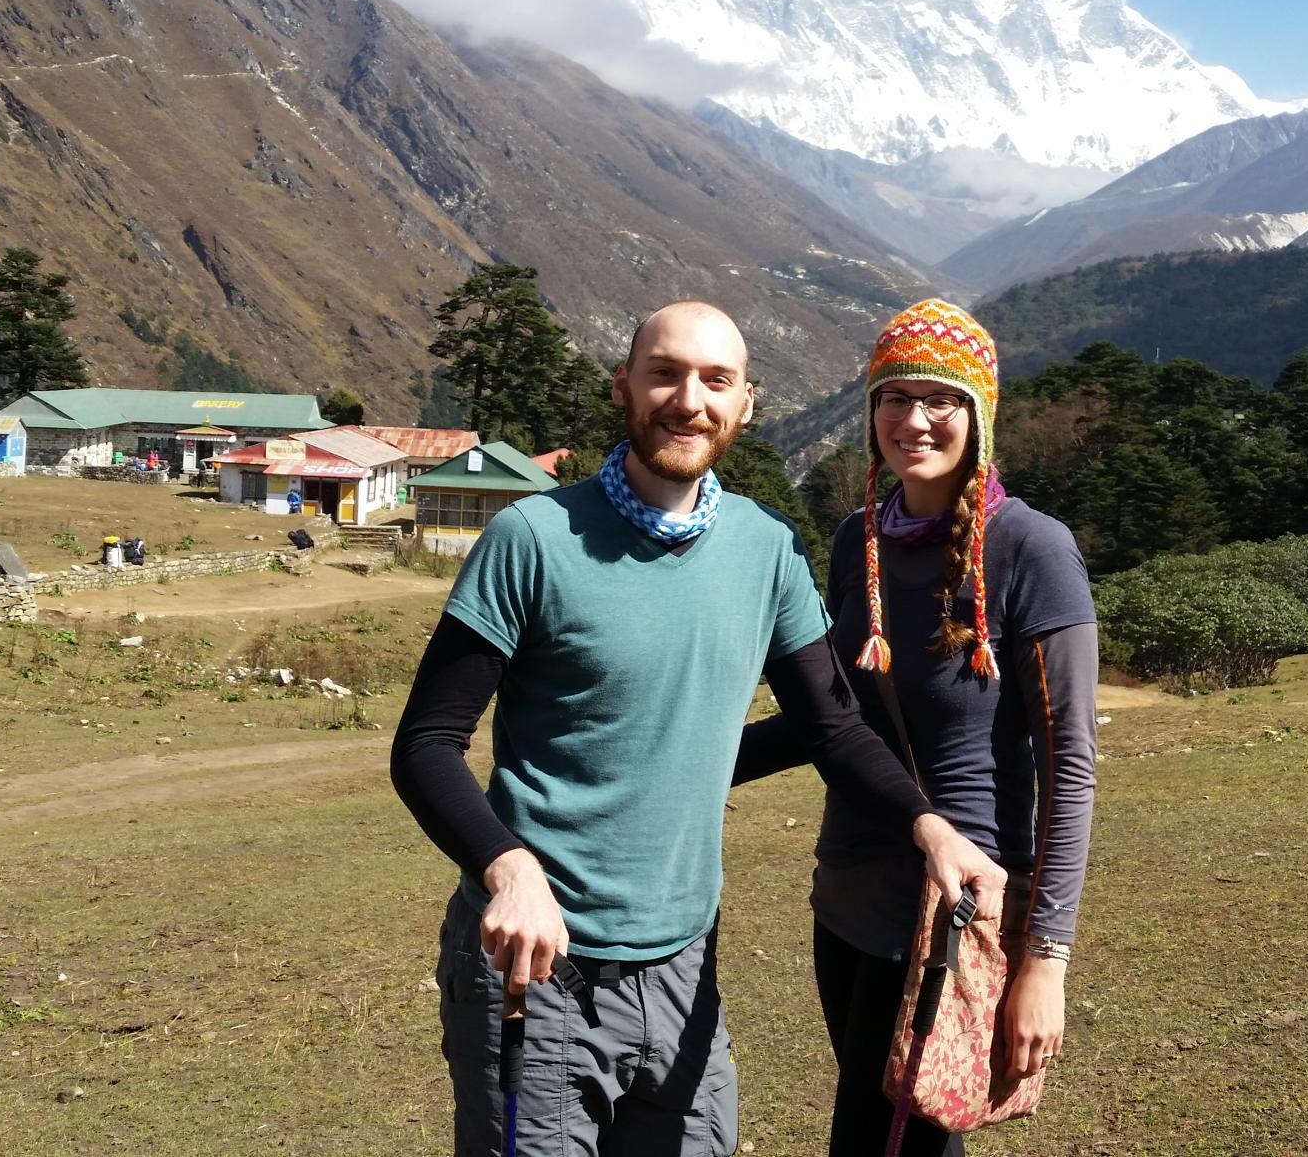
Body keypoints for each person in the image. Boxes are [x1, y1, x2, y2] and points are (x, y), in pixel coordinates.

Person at [391, 300, 1005, 1156]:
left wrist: (930, 828)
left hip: (684, 969)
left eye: (716, 380)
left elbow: (832, 726)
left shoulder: (766, 551)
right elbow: (424, 744)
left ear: (745, 404)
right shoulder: (531, 539)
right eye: (666, 373)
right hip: (535, 966)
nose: (689, 400)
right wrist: (508, 869)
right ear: (624, 387)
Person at [735, 299, 1099, 1157]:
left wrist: (1045, 959)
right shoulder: (856, 539)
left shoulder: (1032, 551)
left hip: (954, 917)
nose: (915, 419)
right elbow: (829, 721)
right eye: (895, 396)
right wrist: (685, 763)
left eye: (942, 398)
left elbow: (1071, 770)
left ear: (980, 414)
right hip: (846, 903)